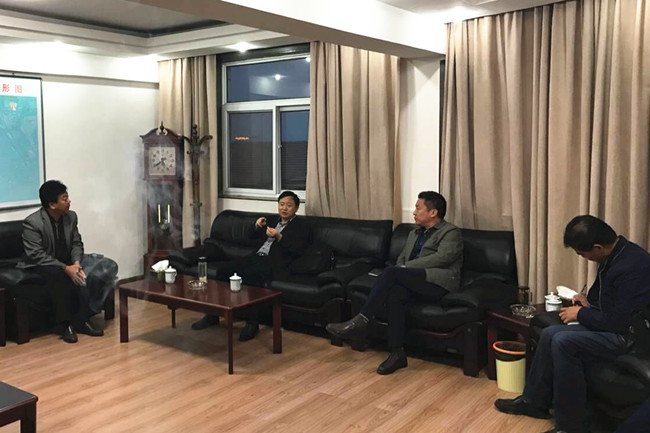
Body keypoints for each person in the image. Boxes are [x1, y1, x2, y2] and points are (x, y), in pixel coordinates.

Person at [494, 215, 650, 433]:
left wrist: (582, 314)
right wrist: (586, 303)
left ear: (598, 247)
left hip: (629, 338)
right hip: (614, 326)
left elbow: (619, 322)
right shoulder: (613, 256)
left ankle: (571, 426)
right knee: (549, 333)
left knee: (563, 341)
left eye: (582, 253)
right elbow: (608, 302)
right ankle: (533, 402)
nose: (583, 258)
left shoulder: (633, 267)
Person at [326, 191, 463, 375]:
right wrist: (402, 268)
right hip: (414, 280)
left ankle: (362, 320)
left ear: (433, 212)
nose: (414, 212)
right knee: (395, 293)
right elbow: (402, 258)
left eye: (418, 208)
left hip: (438, 283)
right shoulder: (414, 233)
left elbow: (443, 258)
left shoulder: (450, 232)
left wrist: (405, 268)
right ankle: (397, 353)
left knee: (392, 273)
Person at [191, 190, 310, 341]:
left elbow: (297, 250)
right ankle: (213, 315)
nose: (284, 208)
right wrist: (256, 226)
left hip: (275, 263)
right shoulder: (272, 220)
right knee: (223, 271)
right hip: (255, 257)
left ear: (296, 208)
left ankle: (252, 323)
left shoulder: (301, 227)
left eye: (289, 205)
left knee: (250, 278)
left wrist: (280, 236)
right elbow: (251, 237)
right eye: (281, 205)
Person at [17, 180, 118, 343]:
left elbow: (76, 243)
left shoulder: (71, 216)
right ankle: (65, 325)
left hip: (68, 261)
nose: (69, 201)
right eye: (64, 198)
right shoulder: (33, 223)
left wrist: (76, 263)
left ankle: (82, 318)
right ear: (52, 204)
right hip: (42, 263)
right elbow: (36, 255)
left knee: (105, 267)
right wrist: (65, 268)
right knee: (60, 276)